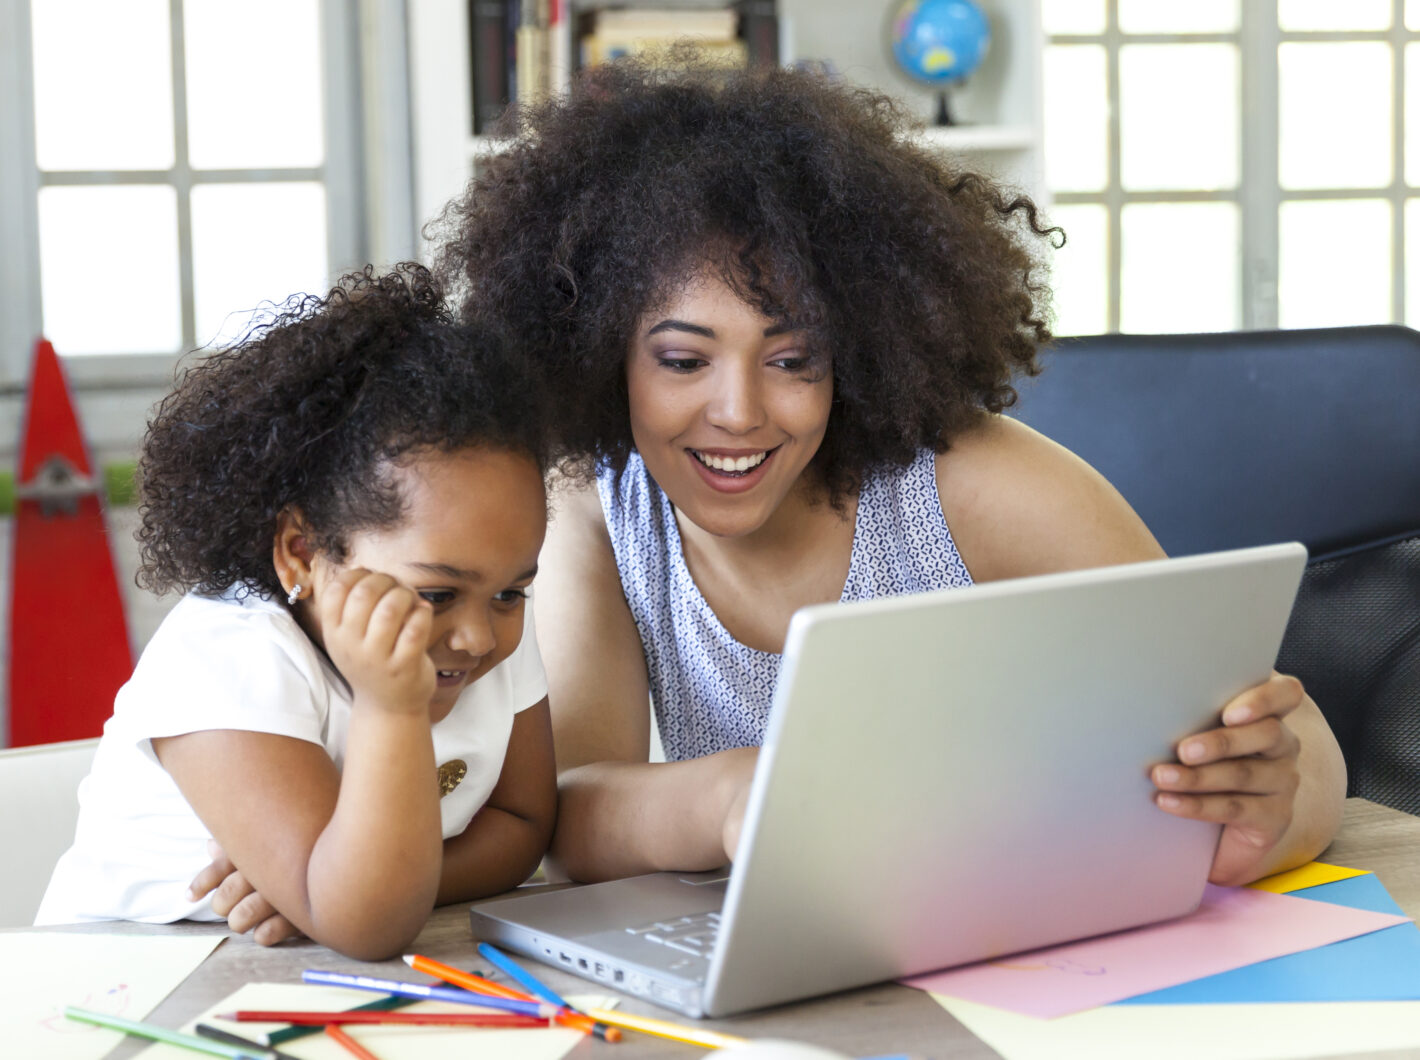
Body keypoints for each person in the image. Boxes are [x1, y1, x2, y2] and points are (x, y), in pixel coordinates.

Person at [435, 60, 1347, 890]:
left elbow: (1294, 742)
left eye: (793, 360)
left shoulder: (975, 488)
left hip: (1017, 932)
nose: (741, 411)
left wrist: (1270, 801)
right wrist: (738, 799)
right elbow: (575, 812)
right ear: (598, 355)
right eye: (682, 361)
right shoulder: (596, 509)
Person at [35, 264, 556, 960]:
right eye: (434, 595)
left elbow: (522, 824)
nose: (477, 635)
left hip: (302, 967)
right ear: (300, 553)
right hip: (127, 983)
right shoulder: (227, 656)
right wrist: (390, 711)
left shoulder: (484, 632)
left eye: (510, 593)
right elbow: (366, 925)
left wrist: (348, 895)